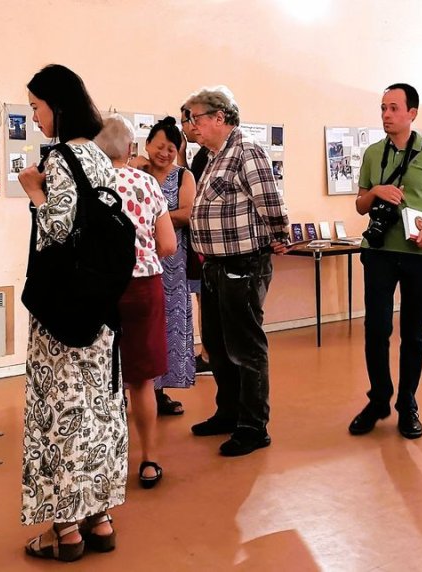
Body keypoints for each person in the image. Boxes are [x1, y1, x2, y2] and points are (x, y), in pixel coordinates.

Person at [19, 64, 125, 562]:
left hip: (61, 313)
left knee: (60, 411)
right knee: (96, 411)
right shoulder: (101, 156)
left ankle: (66, 530)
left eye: (37, 107)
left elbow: (56, 235)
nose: (35, 116)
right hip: (99, 309)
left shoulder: (60, 158)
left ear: (56, 106)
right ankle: (100, 518)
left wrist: (34, 192)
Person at [185, 86, 289, 456]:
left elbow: (271, 202)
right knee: (216, 345)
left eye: (195, 117)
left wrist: (279, 236)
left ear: (220, 117)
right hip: (215, 266)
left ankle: (252, 426)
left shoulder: (246, 152)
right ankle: (228, 412)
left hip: (243, 265)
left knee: (245, 348)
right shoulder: (213, 156)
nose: (191, 124)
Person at [350, 83, 422, 439]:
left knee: (414, 332)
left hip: (418, 255)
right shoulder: (372, 153)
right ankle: (379, 398)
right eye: (382, 108)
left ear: (412, 113)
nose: (386, 115)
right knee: (376, 330)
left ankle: (407, 403)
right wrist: (376, 191)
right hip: (378, 252)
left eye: (394, 108)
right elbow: (360, 204)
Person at [94, 114, 176, 489]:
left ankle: (102, 461)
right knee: (141, 379)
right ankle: (149, 460)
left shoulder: (89, 184)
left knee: (100, 379)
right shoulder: (146, 183)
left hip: (99, 289)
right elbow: (169, 245)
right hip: (143, 285)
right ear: (131, 149)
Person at [145, 117, 197, 416]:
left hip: (173, 262)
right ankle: (133, 390)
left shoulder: (183, 177)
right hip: (140, 260)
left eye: (172, 148)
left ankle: (159, 391)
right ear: (148, 144)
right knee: (138, 323)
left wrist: (153, 218)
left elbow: (189, 213)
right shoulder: (137, 171)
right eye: (160, 146)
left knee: (168, 324)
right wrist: (166, 216)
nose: (165, 153)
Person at [178, 104, 212, 375]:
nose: (185, 127)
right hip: (200, 241)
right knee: (204, 296)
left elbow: (190, 192)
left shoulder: (203, 157)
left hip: (204, 242)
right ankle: (209, 352)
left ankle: (209, 354)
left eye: (186, 121)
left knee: (205, 297)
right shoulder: (201, 156)